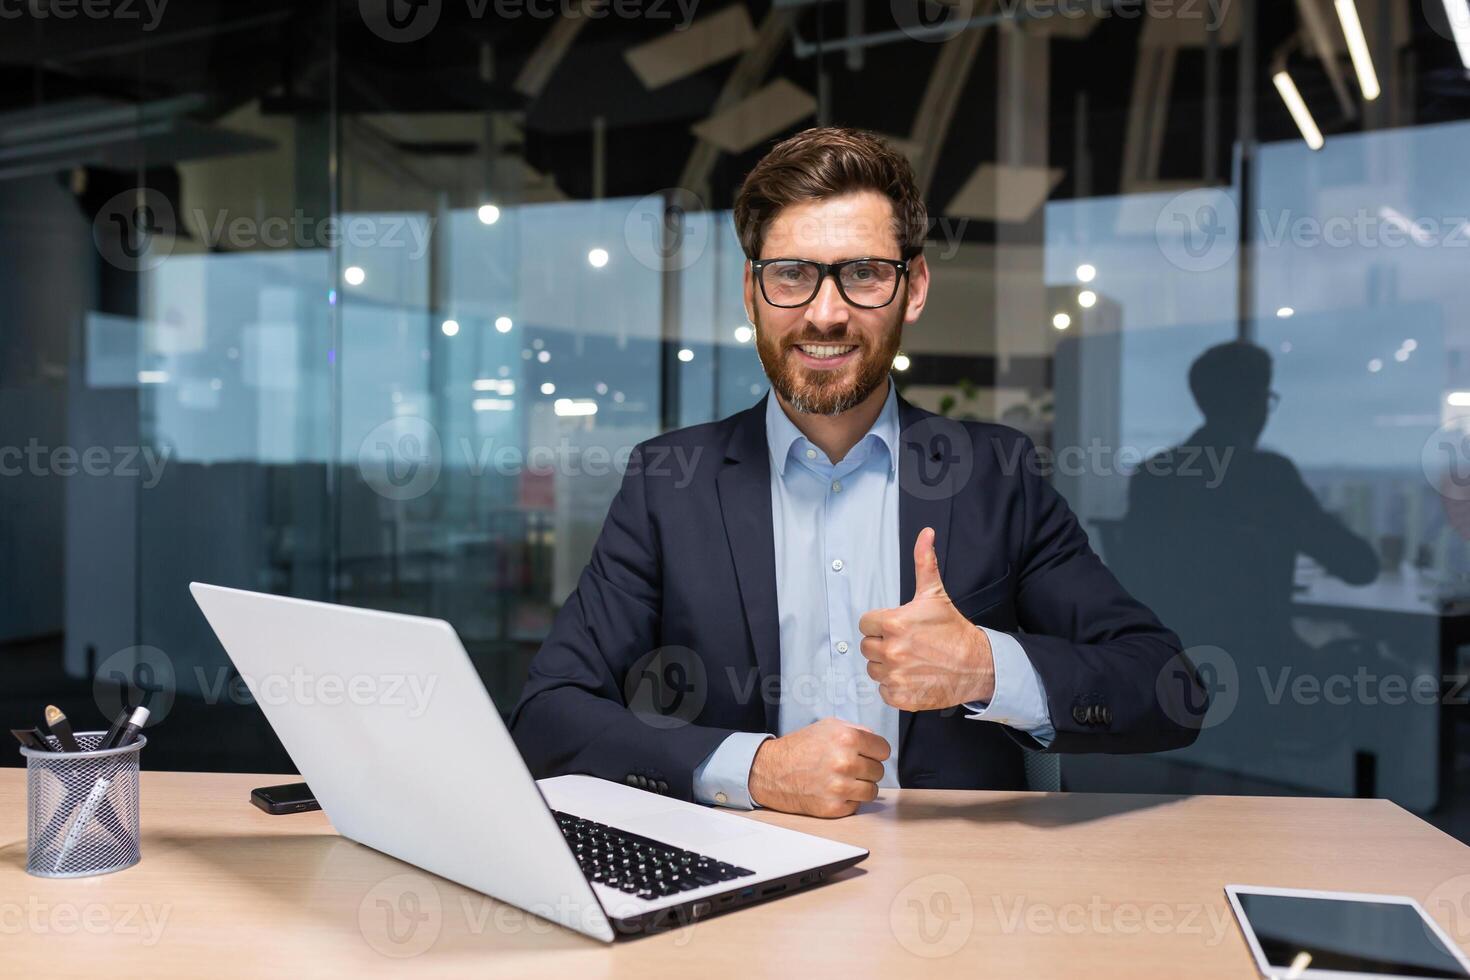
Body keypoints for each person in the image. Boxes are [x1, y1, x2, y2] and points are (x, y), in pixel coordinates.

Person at [510, 127, 1203, 819]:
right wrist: (753, 770)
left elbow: (1168, 688)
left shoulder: (996, 475)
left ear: (915, 286)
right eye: (791, 275)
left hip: (960, 895)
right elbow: (549, 716)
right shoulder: (669, 482)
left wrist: (986, 667)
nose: (826, 313)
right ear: (752, 293)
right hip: (741, 886)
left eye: (864, 273)